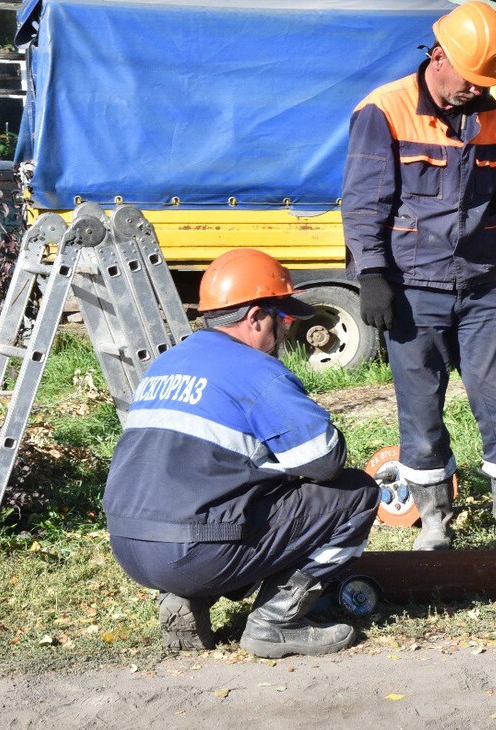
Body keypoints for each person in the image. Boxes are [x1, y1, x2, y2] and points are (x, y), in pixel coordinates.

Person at [342, 1, 496, 551]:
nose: (475, 90)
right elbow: (364, 204)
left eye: (486, 81)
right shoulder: (383, 111)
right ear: (439, 57)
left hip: (480, 289)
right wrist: (372, 274)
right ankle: (433, 522)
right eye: (470, 78)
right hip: (414, 293)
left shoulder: (494, 116)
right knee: (421, 409)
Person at [103, 249, 379, 658]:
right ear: (254, 318)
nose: (286, 333)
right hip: (194, 551)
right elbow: (325, 460)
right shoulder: (256, 370)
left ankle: (183, 597)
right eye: (283, 320)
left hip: (130, 545)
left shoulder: (166, 364)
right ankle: (274, 623)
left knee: (223, 500)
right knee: (356, 493)